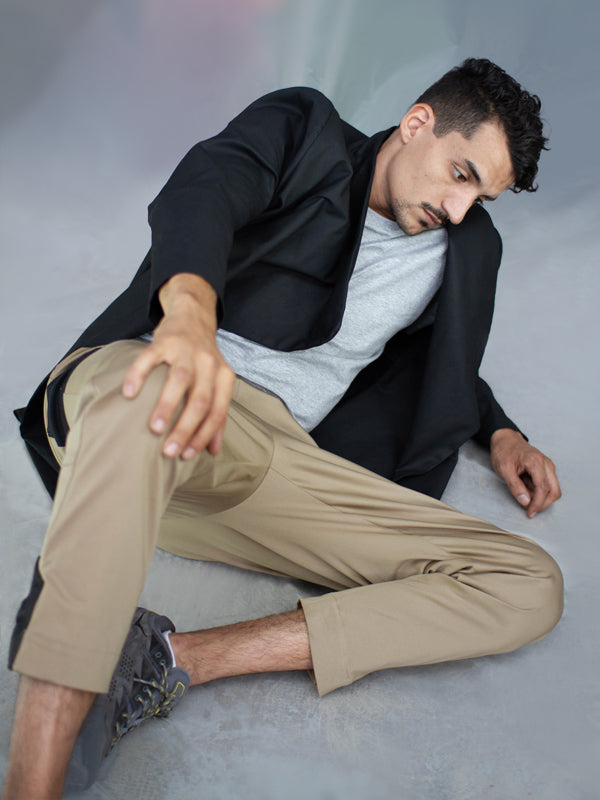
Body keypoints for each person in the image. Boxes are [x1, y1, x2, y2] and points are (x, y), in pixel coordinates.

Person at [3, 58, 562, 799]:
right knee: (151, 399)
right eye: (461, 174)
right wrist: (189, 315)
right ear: (417, 123)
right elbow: (207, 186)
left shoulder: (460, 247)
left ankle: (169, 658)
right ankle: (35, 778)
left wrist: (501, 432)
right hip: (147, 390)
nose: (461, 209)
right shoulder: (307, 132)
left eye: (482, 196)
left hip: (264, 461)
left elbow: (441, 356)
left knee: (529, 584)